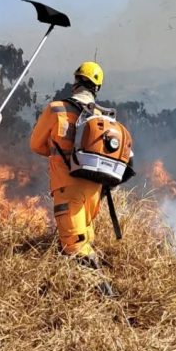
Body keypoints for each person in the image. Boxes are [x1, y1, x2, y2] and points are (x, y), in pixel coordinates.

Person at [29, 60, 107, 266]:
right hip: (94, 190)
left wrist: (56, 152)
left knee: (75, 247)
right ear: (96, 88)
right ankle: (94, 282)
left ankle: (100, 286)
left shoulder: (56, 109)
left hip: (68, 187)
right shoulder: (101, 117)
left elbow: (36, 145)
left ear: (75, 83)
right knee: (85, 238)